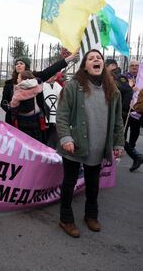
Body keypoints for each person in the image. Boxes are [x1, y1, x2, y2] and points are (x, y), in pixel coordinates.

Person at [56, 49, 124, 238]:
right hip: (74, 146)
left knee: (93, 185)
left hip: (98, 147)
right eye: (91, 58)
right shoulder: (73, 86)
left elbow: (118, 120)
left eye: (99, 58)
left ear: (103, 65)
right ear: (85, 66)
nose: (96, 60)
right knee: (69, 184)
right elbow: (62, 116)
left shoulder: (114, 90)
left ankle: (91, 216)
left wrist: (119, 144)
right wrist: (66, 138)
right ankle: (66, 219)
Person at [1, 52, 78, 125]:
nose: (18, 65)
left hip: (34, 122)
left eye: (21, 63)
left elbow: (51, 70)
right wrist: (12, 110)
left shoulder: (36, 78)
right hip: (15, 121)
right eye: (17, 64)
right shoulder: (9, 84)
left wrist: (69, 58)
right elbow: (3, 103)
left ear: (26, 66)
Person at [9, 70, 47, 142]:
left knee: (23, 142)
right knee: (36, 142)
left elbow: (14, 104)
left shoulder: (19, 88)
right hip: (36, 119)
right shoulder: (37, 85)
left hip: (23, 121)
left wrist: (11, 107)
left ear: (24, 79)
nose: (17, 79)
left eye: (19, 78)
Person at [120, 60, 143, 171]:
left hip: (137, 111)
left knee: (135, 130)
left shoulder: (141, 79)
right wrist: (130, 87)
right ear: (129, 67)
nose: (134, 67)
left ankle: (132, 147)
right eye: (132, 65)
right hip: (126, 110)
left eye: (136, 66)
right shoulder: (124, 77)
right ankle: (122, 148)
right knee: (123, 130)